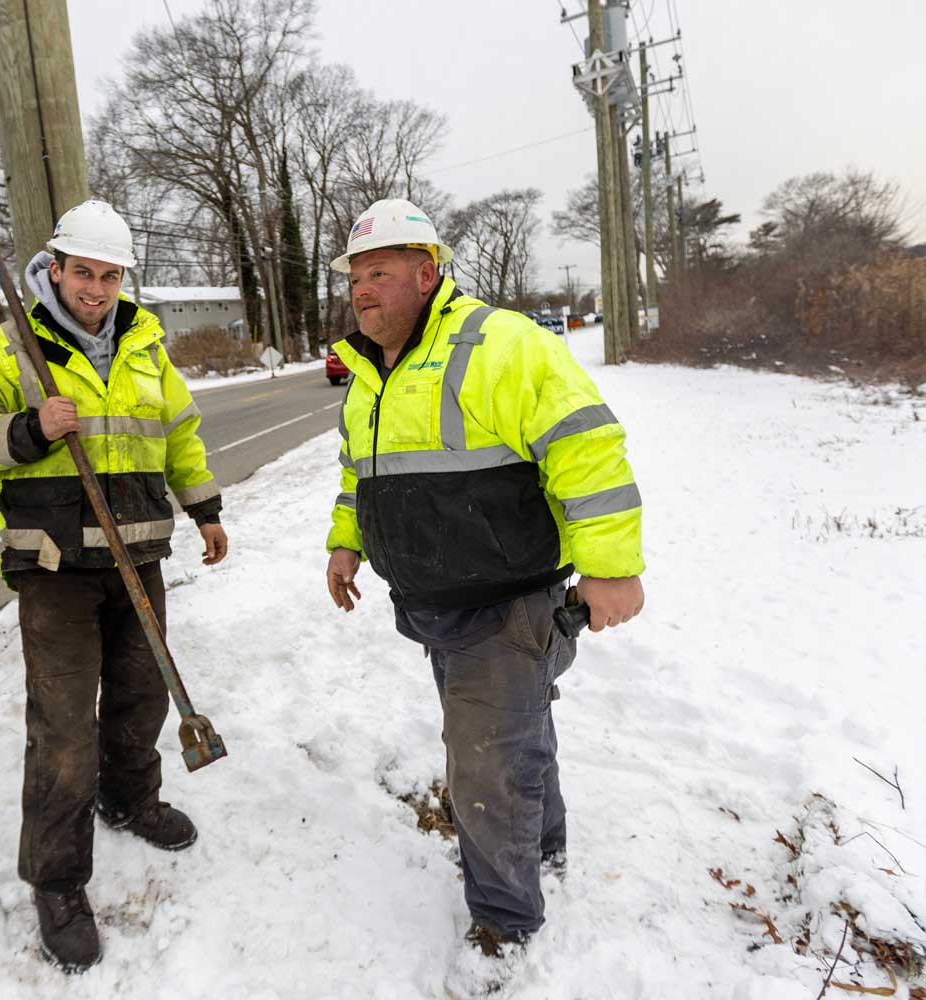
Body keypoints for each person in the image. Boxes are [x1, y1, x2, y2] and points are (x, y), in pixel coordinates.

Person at [323, 199, 645, 999]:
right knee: (513, 734)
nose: (363, 291)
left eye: (381, 273)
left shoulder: (499, 343)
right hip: (436, 603)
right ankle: (544, 847)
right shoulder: (371, 373)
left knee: (485, 765)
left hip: (505, 603)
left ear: (428, 272)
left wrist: (610, 566)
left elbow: (586, 444)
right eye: (357, 277)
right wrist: (346, 541)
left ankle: (503, 918)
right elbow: (360, 476)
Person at [0, 199, 228, 973]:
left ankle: (130, 799)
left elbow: (179, 434)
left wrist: (203, 508)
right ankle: (58, 880)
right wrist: (31, 429)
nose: (95, 290)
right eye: (83, 273)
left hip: (138, 555)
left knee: (142, 694)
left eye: (109, 276)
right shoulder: (9, 349)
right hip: (57, 568)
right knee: (64, 730)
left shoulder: (143, 347)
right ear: (55, 268)